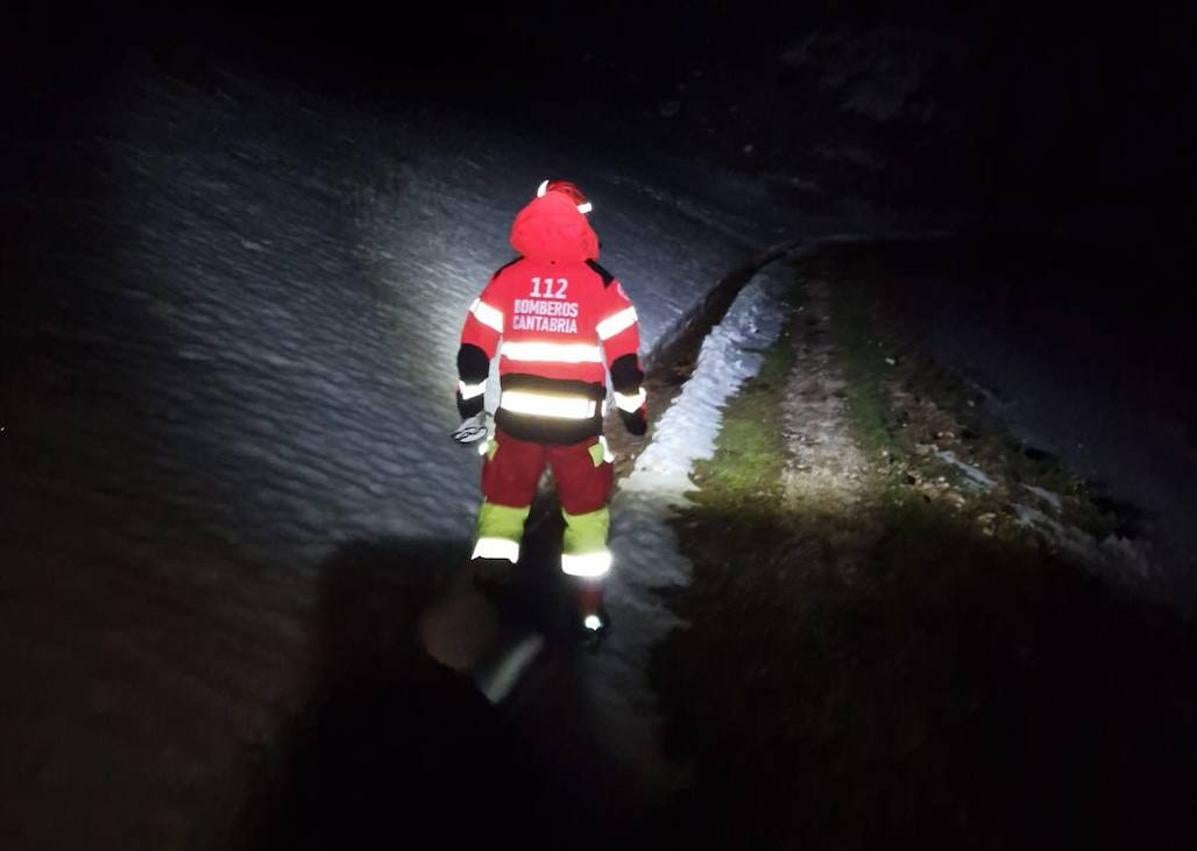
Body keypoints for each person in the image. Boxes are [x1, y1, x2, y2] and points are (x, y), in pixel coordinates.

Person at [451, 179, 648, 639]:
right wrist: (633, 416)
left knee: (503, 507)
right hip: (577, 432)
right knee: (585, 517)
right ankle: (589, 612)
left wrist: (471, 406)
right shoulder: (602, 285)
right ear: (582, 222)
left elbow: (474, 352)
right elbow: (624, 366)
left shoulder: (507, 278)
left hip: (516, 425)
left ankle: (486, 598)